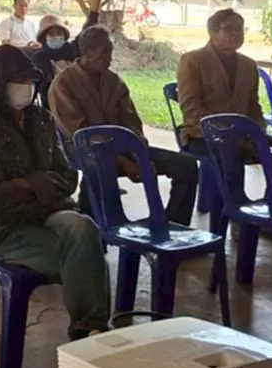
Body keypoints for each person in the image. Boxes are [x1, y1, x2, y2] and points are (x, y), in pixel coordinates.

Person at [0, 46, 109, 340]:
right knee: (84, 256)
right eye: (18, 81)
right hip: (3, 228)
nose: (26, 88)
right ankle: (89, 332)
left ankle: (90, 328)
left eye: (30, 81)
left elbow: (68, 176)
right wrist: (43, 184)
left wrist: (27, 184)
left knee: (84, 228)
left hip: (47, 213)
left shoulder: (41, 119)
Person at [49, 27, 200, 226]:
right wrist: (121, 161)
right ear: (87, 52)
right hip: (84, 150)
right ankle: (101, 226)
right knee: (100, 168)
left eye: (110, 52)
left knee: (186, 165)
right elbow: (81, 135)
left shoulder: (114, 81)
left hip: (123, 147)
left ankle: (174, 225)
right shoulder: (63, 84)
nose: (110, 58)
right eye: (104, 52)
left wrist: (140, 155)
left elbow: (132, 122)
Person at [177, 9, 272, 203]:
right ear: (212, 32)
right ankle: (235, 210)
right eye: (229, 29)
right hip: (201, 135)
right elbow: (191, 107)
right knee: (229, 151)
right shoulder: (192, 61)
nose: (235, 34)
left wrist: (257, 132)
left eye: (240, 29)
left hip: (243, 135)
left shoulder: (248, 65)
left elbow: (253, 106)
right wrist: (228, 132)